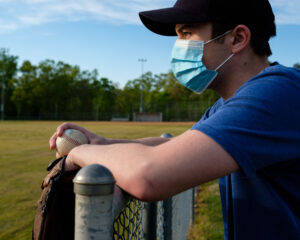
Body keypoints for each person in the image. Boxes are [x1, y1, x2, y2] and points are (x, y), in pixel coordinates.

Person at [49, 0, 300, 239]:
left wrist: (79, 153)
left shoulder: (276, 94)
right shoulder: (231, 103)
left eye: (187, 34)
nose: (178, 46)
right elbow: (176, 147)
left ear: (237, 39)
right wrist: (102, 143)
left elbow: (150, 176)